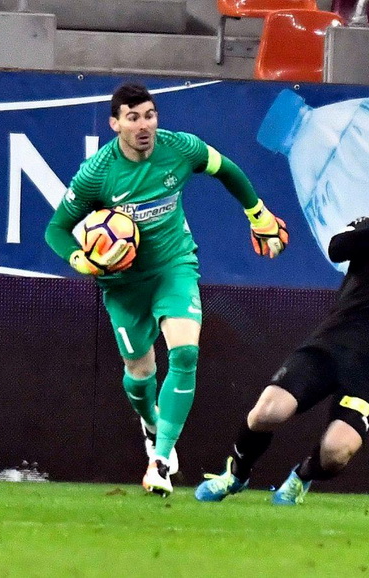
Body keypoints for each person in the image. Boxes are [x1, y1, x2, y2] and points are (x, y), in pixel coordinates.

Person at [45, 82, 288, 497]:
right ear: (115, 123)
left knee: (186, 353)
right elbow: (56, 230)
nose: (144, 125)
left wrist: (257, 212)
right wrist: (78, 259)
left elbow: (226, 169)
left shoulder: (181, 148)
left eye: (150, 115)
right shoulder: (97, 174)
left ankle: (160, 460)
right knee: (140, 375)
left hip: (173, 267)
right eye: (134, 117)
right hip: (122, 286)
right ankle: (151, 422)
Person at [195, 156, 369, 505]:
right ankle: (235, 475)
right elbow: (337, 248)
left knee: (337, 453)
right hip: (330, 345)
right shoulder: (367, 227)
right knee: (268, 412)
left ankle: (301, 477)